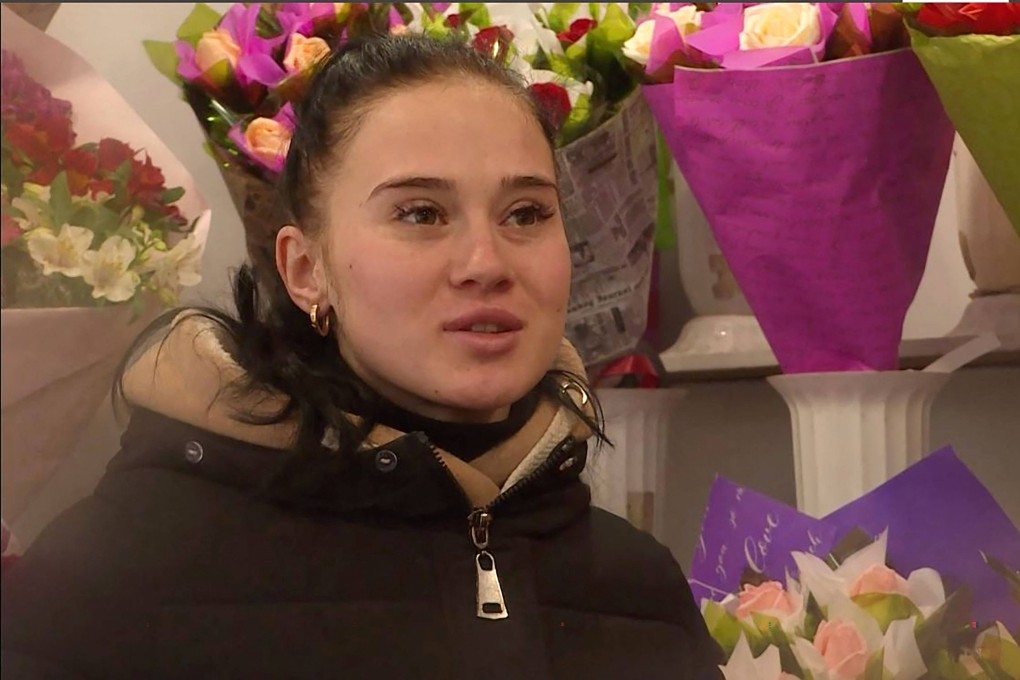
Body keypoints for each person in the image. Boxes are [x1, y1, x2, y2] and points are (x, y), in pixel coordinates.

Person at [1, 35, 722, 679]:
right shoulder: (119, 571)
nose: (486, 262)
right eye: (420, 213)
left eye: (526, 214)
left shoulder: (638, 586)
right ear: (306, 268)